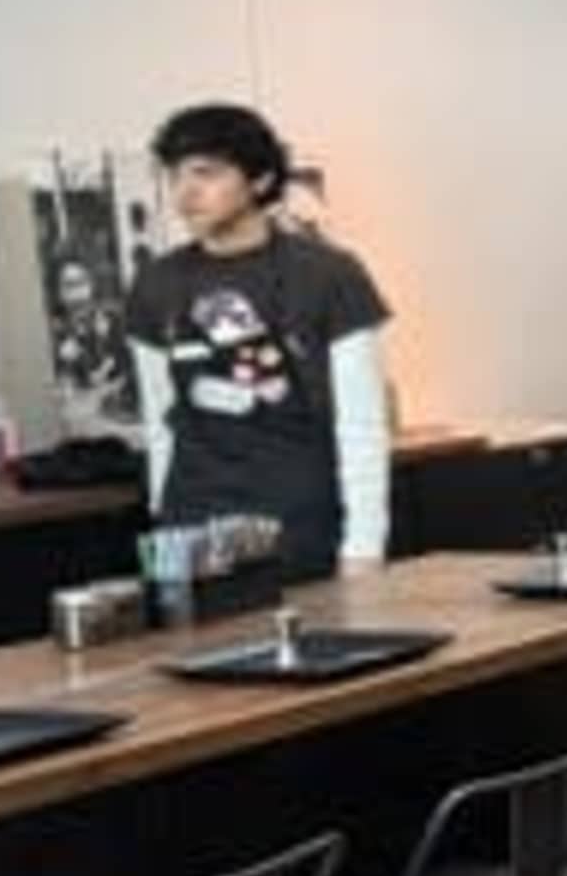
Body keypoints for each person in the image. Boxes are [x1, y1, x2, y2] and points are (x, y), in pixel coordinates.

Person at [123, 104, 393, 579]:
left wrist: (364, 548)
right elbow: (160, 423)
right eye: (176, 174)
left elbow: (362, 425)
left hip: (301, 525)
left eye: (206, 173)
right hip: (192, 530)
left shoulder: (328, 274)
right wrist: (163, 528)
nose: (186, 192)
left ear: (262, 180)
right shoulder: (155, 285)